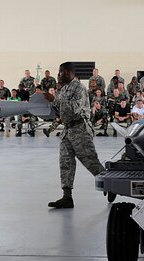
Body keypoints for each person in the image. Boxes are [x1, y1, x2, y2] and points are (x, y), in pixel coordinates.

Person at [41, 62, 105, 209]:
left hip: (80, 130)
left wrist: (53, 100)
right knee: (65, 163)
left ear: (70, 72)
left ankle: (110, 184)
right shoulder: (63, 90)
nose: (58, 75)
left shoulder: (79, 88)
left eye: (61, 72)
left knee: (91, 162)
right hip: (67, 130)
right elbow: (60, 109)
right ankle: (67, 197)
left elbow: (75, 109)